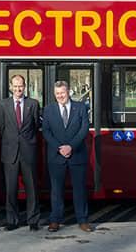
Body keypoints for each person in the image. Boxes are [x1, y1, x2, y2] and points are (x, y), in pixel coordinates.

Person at [42, 80, 93, 232]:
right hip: (56, 156)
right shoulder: (48, 109)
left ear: (68, 91)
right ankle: (55, 220)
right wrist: (60, 148)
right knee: (56, 190)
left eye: (62, 93)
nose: (60, 96)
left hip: (77, 155)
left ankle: (82, 220)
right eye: (57, 94)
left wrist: (71, 146)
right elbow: (46, 131)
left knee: (79, 190)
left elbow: (84, 129)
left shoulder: (81, 107)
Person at [0, 74, 41, 230]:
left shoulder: (33, 104)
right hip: (10, 153)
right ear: (11, 87)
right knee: (11, 189)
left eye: (20, 86)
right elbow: (2, 128)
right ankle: (12, 220)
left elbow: (35, 126)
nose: (18, 89)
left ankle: (33, 220)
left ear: (25, 87)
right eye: (15, 86)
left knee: (32, 189)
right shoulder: (2, 105)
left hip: (28, 152)